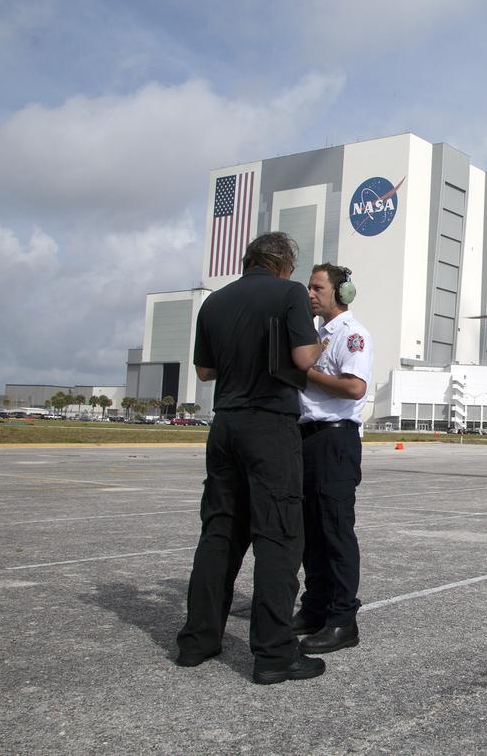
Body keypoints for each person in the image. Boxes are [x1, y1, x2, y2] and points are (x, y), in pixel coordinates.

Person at [175, 232, 327, 686]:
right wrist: (319, 340)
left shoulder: (214, 303)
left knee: (219, 533)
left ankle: (197, 641)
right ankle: (275, 654)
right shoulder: (289, 294)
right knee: (278, 537)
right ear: (284, 263)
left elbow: (205, 371)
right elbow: (302, 357)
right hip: (270, 426)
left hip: (225, 426)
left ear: (249, 260)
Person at [292, 263, 374, 655]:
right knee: (311, 533)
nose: (310, 294)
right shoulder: (315, 336)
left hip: (335, 441)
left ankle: (343, 620)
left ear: (342, 294)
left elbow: (354, 388)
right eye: (308, 287)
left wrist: (305, 373)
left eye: (317, 288)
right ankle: (315, 607)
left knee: (336, 532)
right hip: (307, 439)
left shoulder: (352, 336)